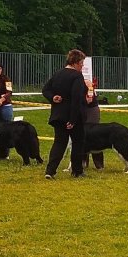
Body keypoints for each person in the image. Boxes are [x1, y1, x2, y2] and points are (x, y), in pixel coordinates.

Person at [42, 49, 88, 179]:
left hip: (58, 115)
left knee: (59, 143)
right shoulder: (77, 76)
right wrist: (72, 120)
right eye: (81, 63)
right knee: (78, 143)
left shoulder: (58, 74)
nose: (82, 66)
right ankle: (77, 171)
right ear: (75, 62)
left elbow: (45, 90)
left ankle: (50, 171)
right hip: (73, 116)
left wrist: (53, 97)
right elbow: (76, 98)